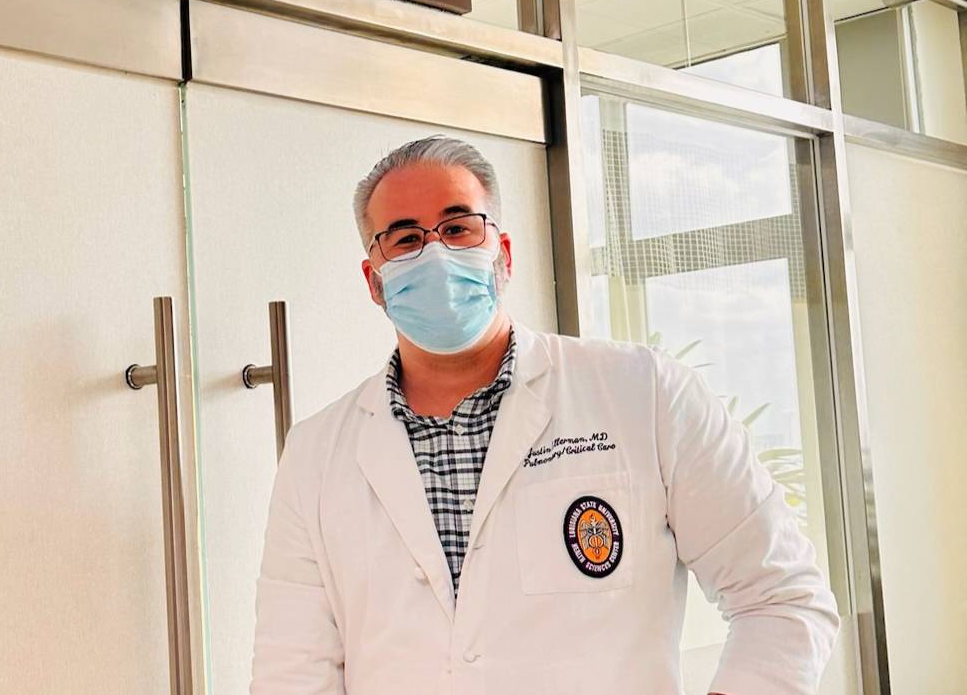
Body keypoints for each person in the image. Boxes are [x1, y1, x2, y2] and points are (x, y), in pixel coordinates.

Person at [251, 136, 838, 695]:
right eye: (405, 240)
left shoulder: (643, 394)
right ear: (373, 281)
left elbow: (782, 597)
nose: (435, 252)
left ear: (502, 253)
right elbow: (292, 672)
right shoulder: (315, 454)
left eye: (458, 228)